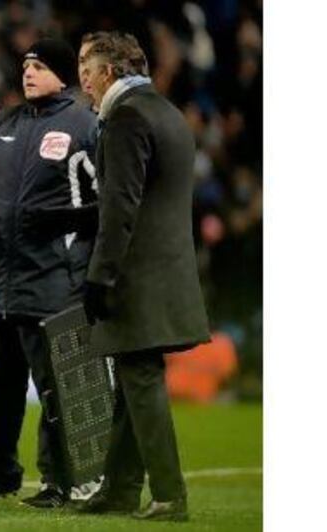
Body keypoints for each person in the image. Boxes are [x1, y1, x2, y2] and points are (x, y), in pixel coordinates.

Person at [0, 37, 98, 507]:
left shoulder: (84, 127)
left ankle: (60, 481)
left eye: (41, 66)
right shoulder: (2, 124)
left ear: (61, 75)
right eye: (26, 65)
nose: (29, 73)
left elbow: (109, 200)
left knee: (56, 392)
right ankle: (0, 471)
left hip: (54, 283)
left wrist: (66, 221)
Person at [77, 32, 209, 522]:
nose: (83, 83)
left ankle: (170, 494)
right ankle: (120, 489)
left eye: (86, 71)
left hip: (135, 275)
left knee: (141, 382)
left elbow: (121, 208)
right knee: (132, 387)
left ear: (109, 72)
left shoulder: (125, 118)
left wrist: (100, 276)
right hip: (167, 270)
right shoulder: (168, 112)